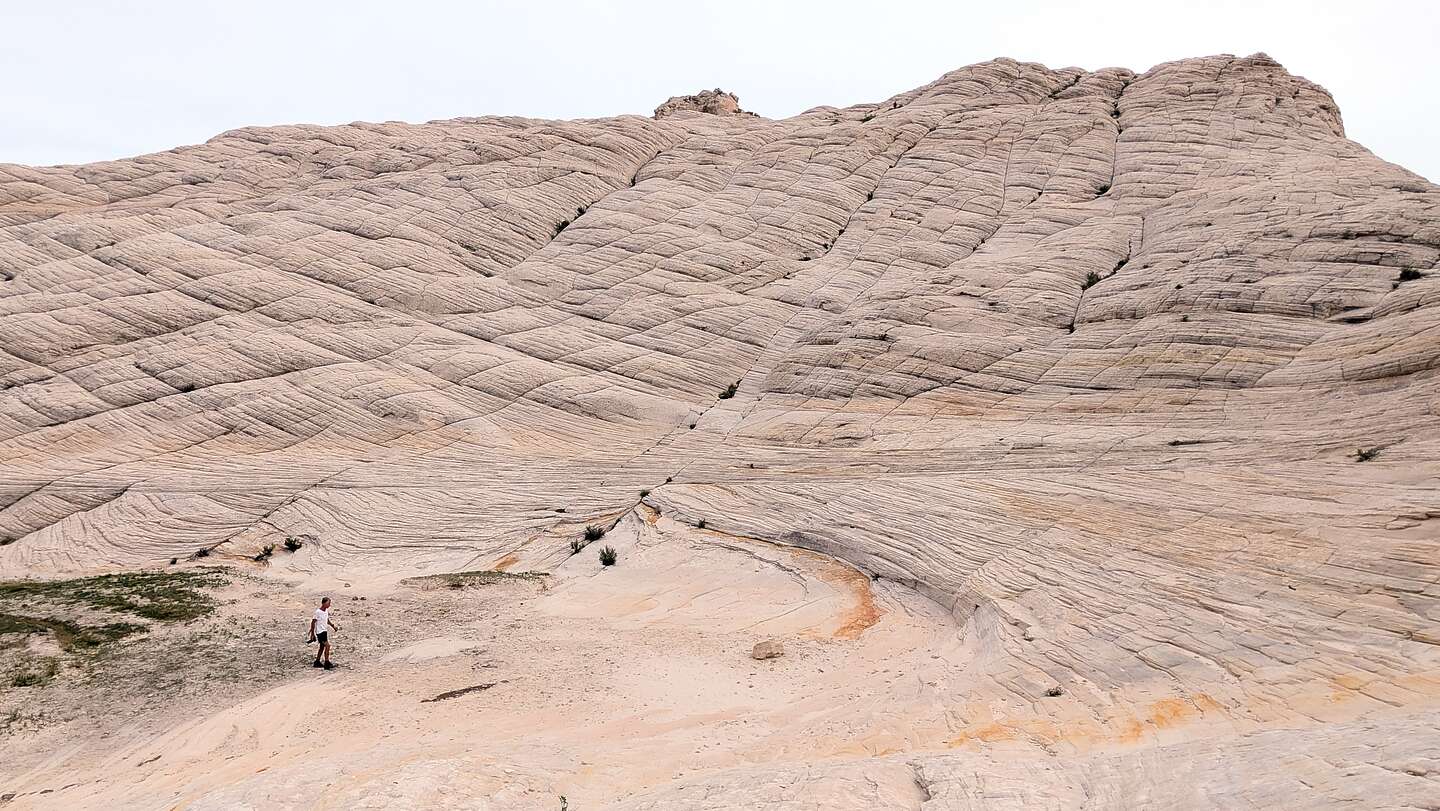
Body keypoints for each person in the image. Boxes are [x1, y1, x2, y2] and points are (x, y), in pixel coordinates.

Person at [308, 596, 340, 669]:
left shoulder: (325, 611)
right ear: (324, 603)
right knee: (327, 646)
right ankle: (326, 662)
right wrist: (312, 633)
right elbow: (313, 622)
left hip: (324, 631)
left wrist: (333, 626)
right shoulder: (318, 612)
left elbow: (327, 620)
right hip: (320, 632)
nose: (329, 605)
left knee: (322, 647)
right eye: (328, 603)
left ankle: (317, 662)